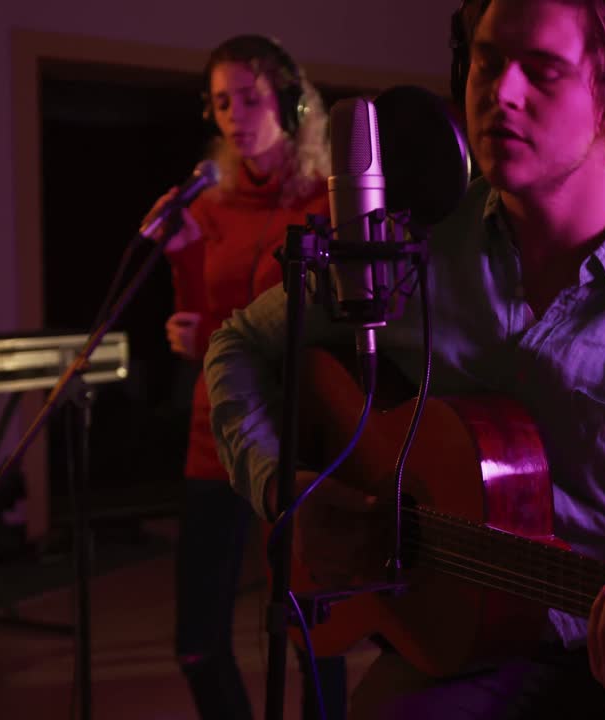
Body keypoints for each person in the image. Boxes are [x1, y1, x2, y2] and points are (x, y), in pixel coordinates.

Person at [203, 1, 605, 718]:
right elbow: (241, 344)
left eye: (541, 71)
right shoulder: (412, 246)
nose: (498, 92)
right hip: (459, 651)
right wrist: (282, 487)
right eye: (485, 61)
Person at [145, 34, 347, 720]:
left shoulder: (327, 201)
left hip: (300, 437)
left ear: (292, 105)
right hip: (215, 438)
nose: (234, 116)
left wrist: (212, 336)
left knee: (313, 635)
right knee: (197, 643)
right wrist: (180, 273)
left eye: (251, 98)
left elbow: (326, 329)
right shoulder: (207, 203)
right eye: (223, 102)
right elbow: (196, 323)